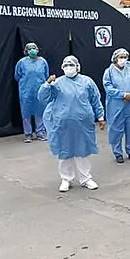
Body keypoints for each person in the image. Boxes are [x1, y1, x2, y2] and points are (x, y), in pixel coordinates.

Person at [40, 56, 106, 192]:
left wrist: (100, 117)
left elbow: (95, 99)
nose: (69, 68)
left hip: (83, 123)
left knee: (82, 152)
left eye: (72, 65)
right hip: (63, 123)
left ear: (78, 67)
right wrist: (47, 84)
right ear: (62, 68)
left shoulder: (87, 82)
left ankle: (85, 178)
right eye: (66, 65)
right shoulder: (57, 83)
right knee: (65, 152)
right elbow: (42, 98)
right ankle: (66, 179)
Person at [103, 48, 130, 163]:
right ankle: (117, 153)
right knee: (116, 130)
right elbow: (108, 87)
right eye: (120, 57)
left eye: (124, 57)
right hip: (116, 105)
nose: (123, 60)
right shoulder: (109, 72)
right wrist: (122, 94)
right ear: (115, 59)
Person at [14, 42, 49, 143]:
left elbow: (46, 75)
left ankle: (40, 132)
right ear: (26, 51)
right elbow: (17, 75)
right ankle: (28, 134)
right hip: (26, 91)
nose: (32, 50)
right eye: (30, 49)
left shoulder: (43, 62)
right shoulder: (22, 62)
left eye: (34, 48)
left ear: (37, 50)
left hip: (40, 91)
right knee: (26, 113)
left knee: (40, 112)